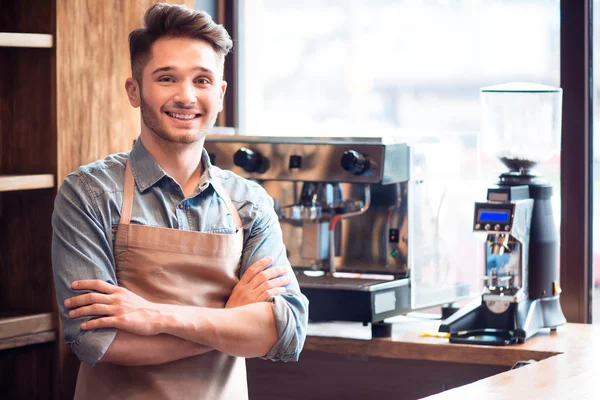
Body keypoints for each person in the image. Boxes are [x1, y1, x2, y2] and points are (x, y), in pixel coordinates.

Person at [51, 3, 309, 399]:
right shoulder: (89, 194)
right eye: (167, 78)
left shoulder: (248, 203)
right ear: (135, 91)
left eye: (202, 80)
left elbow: (285, 332)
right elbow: (96, 342)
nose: (186, 96)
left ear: (220, 94)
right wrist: (229, 320)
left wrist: (154, 316)